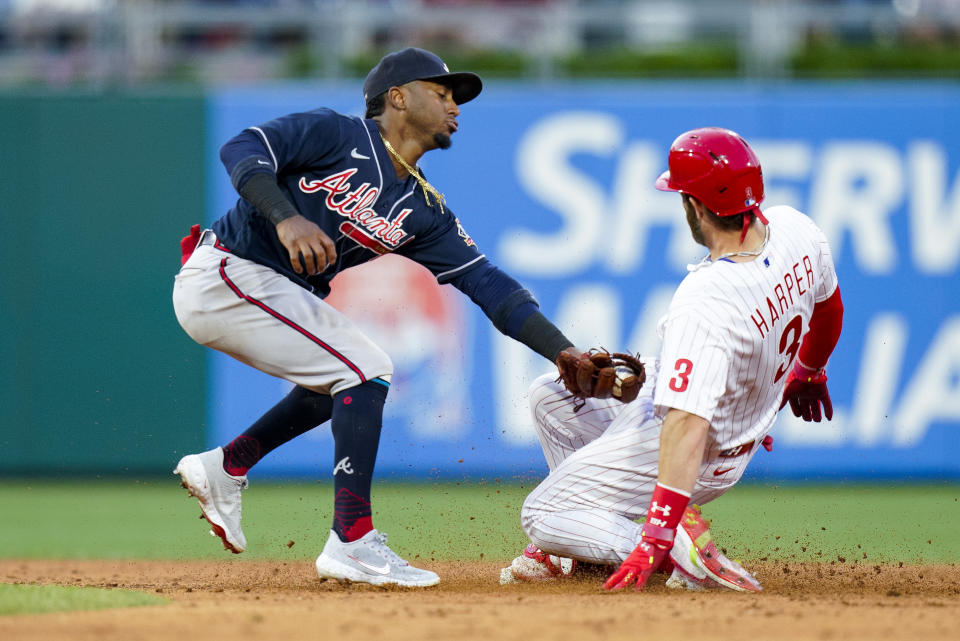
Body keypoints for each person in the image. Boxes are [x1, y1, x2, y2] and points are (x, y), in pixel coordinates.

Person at [171, 47, 579, 588]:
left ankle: (228, 465)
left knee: (345, 378)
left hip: (262, 288)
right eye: (442, 92)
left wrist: (563, 351)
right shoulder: (337, 133)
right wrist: (286, 217)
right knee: (364, 369)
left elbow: (490, 286)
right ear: (398, 97)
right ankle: (353, 540)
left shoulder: (422, 207)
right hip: (227, 271)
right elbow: (242, 147)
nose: (455, 105)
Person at [500, 127, 843, 592]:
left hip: (699, 451)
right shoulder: (796, 230)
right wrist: (809, 369)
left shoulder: (706, 299)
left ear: (696, 207)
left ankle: (681, 553)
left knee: (541, 514)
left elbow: (686, 424)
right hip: (723, 426)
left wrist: (657, 533)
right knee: (550, 397)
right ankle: (581, 546)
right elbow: (829, 306)